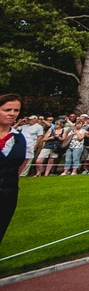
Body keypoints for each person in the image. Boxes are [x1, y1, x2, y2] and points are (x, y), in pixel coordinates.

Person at [0, 94, 26, 245]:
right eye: (7, 109)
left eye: (16, 110)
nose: (12, 113)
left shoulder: (19, 138)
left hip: (8, 194)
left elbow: (19, 165)